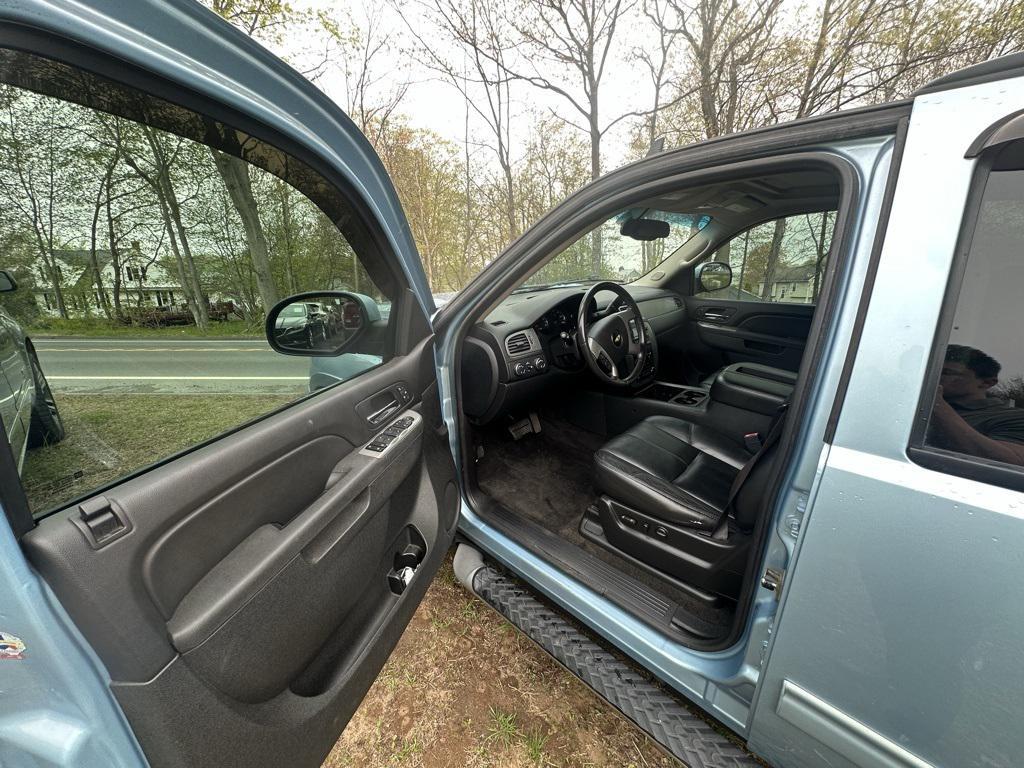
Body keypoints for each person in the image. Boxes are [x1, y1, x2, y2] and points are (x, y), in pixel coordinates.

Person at [928, 344, 1024, 466]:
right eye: (931, 371)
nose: (934, 377)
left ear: (986, 382)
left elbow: (1010, 464)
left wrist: (937, 404)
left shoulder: (1013, 417)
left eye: (946, 372)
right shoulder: (913, 405)